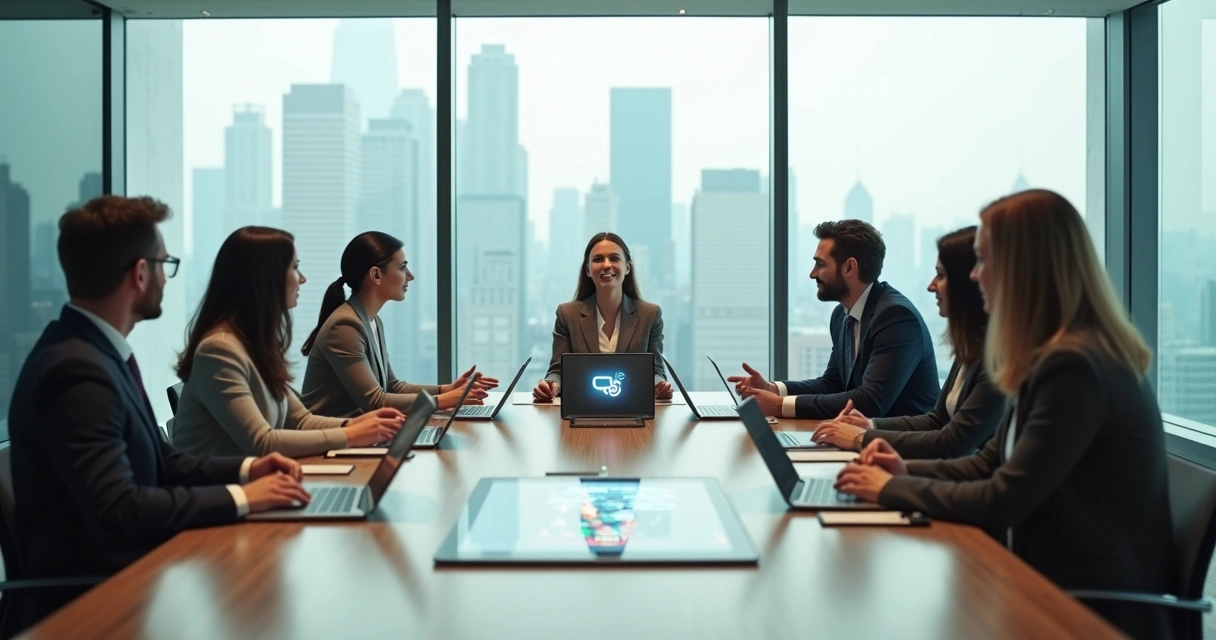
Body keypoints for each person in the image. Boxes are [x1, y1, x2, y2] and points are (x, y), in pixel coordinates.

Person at [834, 189, 1175, 639]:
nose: (975, 276)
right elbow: (988, 461)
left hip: (1083, 611)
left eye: (982, 261)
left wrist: (894, 488)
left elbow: (1003, 499)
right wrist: (903, 469)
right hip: (1044, 580)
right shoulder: (1052, 354)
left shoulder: (1075, 366)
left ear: (1023, 268)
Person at [4, 196, 311, 635]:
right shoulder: (76, 372)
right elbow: (120, 510)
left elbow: (163, 463)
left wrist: (249, 469)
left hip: (136, 578)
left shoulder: (97, 354)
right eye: (166, 265)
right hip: (94, 608)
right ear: (141, 273)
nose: (167, 279)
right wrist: (245, 498)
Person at [169, 227, 405, 458]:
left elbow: (301, 419)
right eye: (295, 267)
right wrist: (352, 435)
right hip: (224, 493)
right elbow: (262, 442)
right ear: (265, 278)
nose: (302, 278)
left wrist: (356, 426)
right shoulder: (219, 350)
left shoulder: (254, 344)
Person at [811, 226, 1005, 458]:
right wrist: (870, 427)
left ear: (970, 281)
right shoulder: (972, 345)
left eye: (941, 275)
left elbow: (954, 442)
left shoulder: (895, 315)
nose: (931, 285)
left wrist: (862, 439)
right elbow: (938, 419)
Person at [731, 219, 939, 419]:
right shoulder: (842, 315)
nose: (813, 274)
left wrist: (780, 406)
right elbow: (833, 383)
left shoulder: (896, 317)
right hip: (863, 436)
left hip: (904, 447)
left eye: (820, 264)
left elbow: (870, 402)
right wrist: (773, 389)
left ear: (849, 267)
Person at [300, 231, 495, 417]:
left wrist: (447, 389)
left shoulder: (372, 320)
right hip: (330, 442)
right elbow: (376, 402)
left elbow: (392, 386)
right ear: (376, 275)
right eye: (402, 267)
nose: (410, 276)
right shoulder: (344, 326)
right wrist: (446, 399)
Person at [532, 232, 671, 402]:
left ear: (627, 268)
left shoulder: (650, 315)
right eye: (598, 259)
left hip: (633, 411)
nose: (606, 265)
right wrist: (551, 385)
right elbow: (558, 371)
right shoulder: (567, 315)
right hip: (583, 409)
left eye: (614, 258)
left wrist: (659, 385)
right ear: (588, 270)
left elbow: (656, 371)